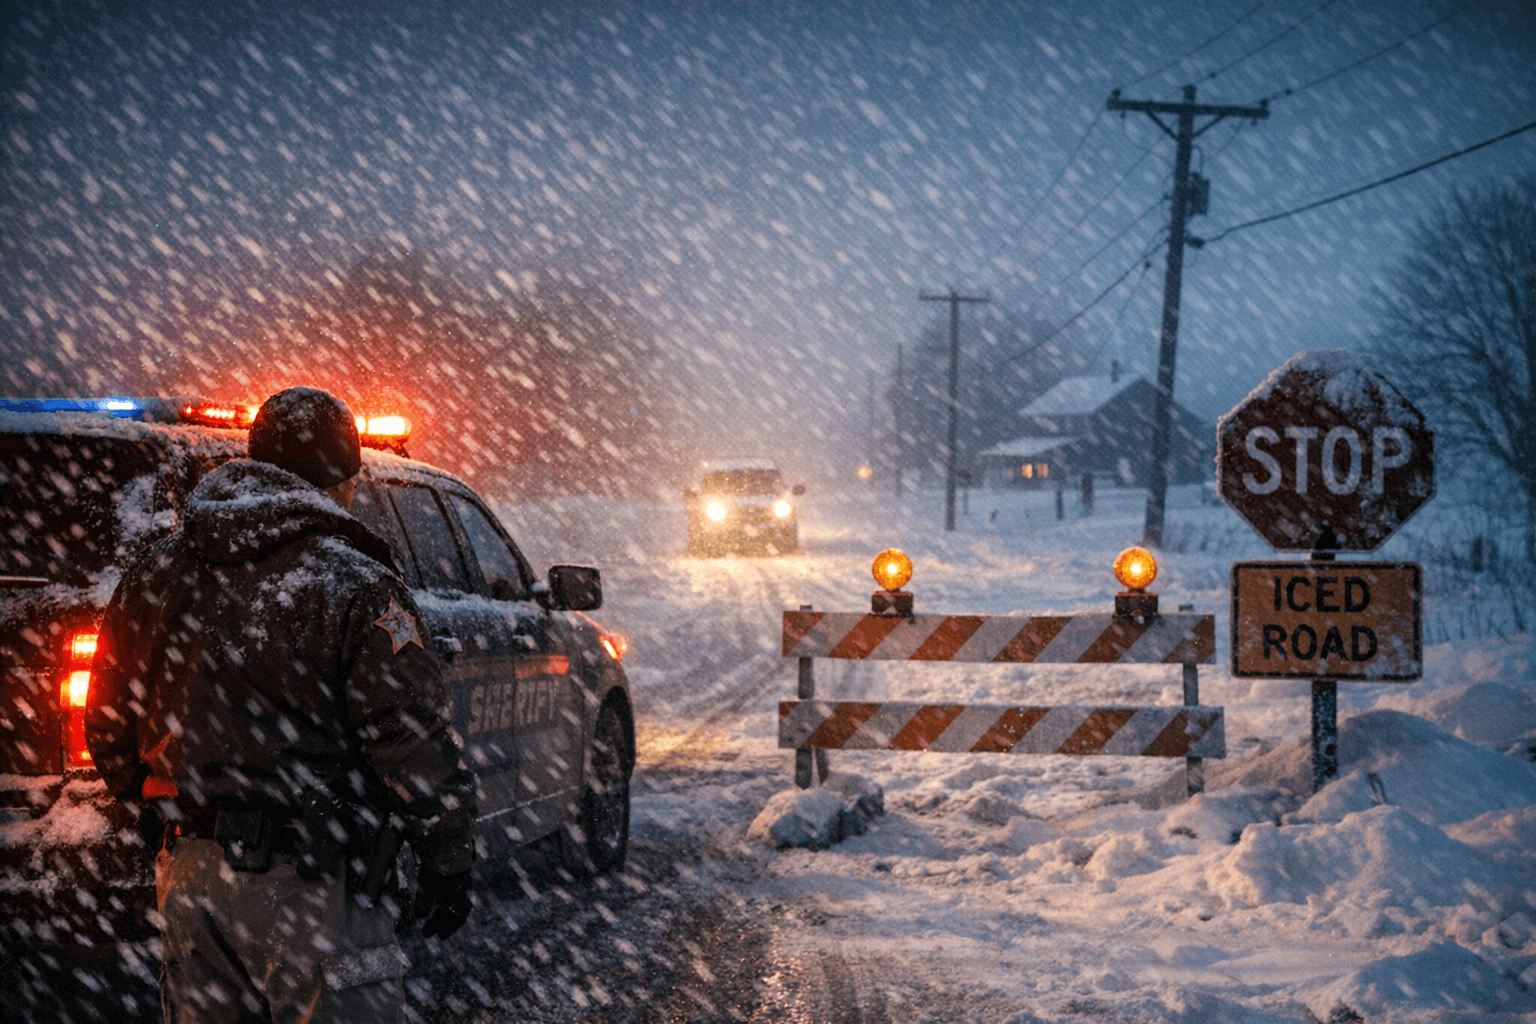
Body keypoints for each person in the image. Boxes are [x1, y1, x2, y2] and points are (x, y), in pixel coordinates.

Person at [86, 386, 477, 1023]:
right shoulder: (353, 583)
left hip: (190, 881)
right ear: (343, 478)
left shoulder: (154, 574)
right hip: (318, 886)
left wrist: (175, 813)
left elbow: (107, 728)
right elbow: (409, 739)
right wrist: (446, 857)